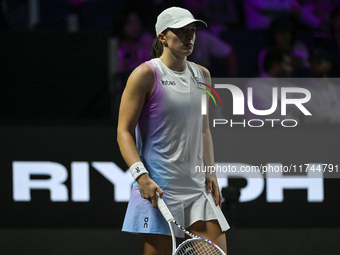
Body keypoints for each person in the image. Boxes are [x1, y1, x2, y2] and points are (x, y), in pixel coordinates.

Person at [118, 7, 229, 255]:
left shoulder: (202, 75)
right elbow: (123, 131)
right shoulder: (145, 75)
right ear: (162, 37)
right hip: (159, 191)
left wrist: (210, 172)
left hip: (197, 190)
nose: (189, 36)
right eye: (180, 31)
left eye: (192, 31)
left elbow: (203, 130)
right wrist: (141, 177)